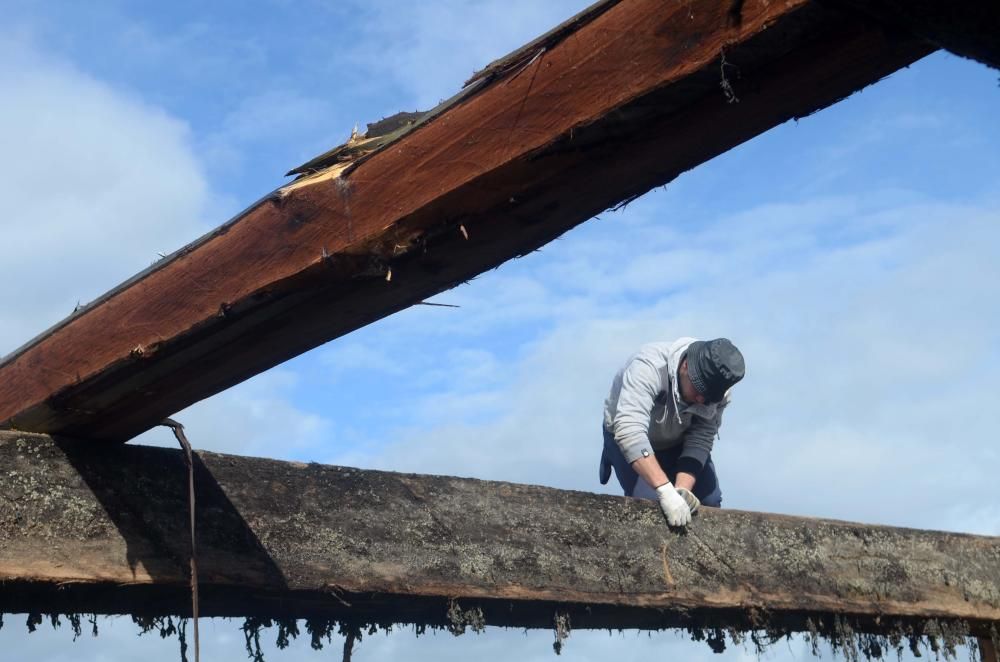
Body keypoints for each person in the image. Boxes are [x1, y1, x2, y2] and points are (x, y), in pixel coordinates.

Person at [599, 337, 745, 526]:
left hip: (678, 439)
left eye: (708, 397)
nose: (701, 400)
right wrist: (664, 490)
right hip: (630, 434)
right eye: (698, 390)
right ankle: (614, 455)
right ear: (685, 366)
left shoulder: (719, 391)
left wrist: (682, 490)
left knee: (706, 503)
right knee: (650, 506)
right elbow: (630, 429)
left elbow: (701, 437)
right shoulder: (648, 367)